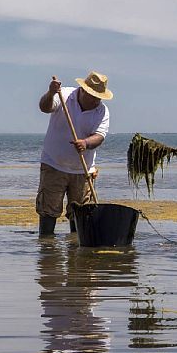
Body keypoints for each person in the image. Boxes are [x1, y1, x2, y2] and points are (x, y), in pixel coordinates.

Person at [35, 71, 111, 235]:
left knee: (81, 215)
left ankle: (76, 253)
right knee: (48, 211)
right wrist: (50, 93)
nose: (96, 100)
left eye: (99, 97)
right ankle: (48, 252)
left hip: (83, 170)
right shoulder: (64, 95)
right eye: (93, 96)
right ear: (83, 90)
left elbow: (99, 136)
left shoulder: (102, 111)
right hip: (53, 164)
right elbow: (44, 107)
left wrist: (86, 143)